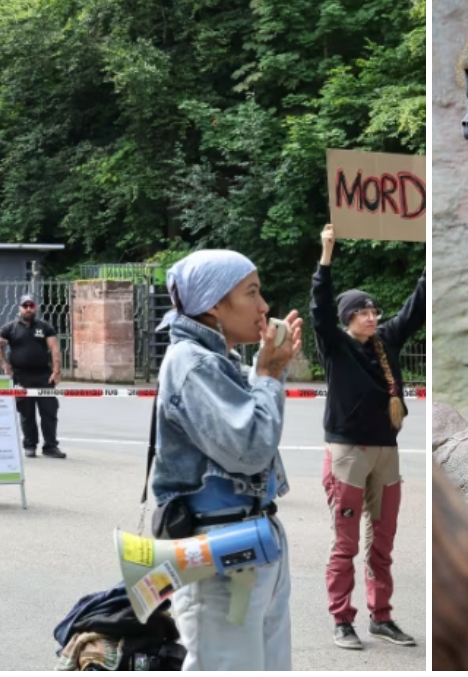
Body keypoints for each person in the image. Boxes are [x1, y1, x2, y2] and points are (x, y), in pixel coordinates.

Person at [148, 249, 302, 670]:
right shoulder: (192, 363)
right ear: (214, 305)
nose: (264, 305)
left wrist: (270, 368)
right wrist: (268, 375)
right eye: (251, 292)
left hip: (249, 542)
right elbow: (251, 449)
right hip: (219, 555)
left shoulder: (219, 359)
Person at [311, 223, 426, 650]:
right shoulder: (336, 346)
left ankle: (382, 617)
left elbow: (416, 307)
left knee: (382, 543)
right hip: (348, 453)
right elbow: (320, 309)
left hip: (386, 453)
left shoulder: (387, 341)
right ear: (348, 320)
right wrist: (326, 256)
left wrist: (430, 255)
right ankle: (342, 619)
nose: (372, 317)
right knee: (345, 546)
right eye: (362, 312)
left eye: (374, 311)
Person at [0, 294, 66, 459]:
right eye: (25, 306)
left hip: (44, 377)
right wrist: (5, 365)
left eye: (31, 306)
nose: (28, 309)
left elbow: (54, 348)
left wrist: (56, 370)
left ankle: (50, 446)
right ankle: (30, 445)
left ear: (35, 308)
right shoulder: (10, 328)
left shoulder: (45, 327)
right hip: (21, 378)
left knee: (49, 412)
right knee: (26, 414)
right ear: (19, 307)